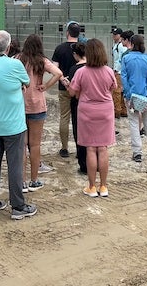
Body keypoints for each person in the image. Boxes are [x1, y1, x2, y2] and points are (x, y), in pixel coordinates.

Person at [0, 30, 37, 220]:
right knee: (15, 164)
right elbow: (26, 82)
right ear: (9, 46)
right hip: (13, 124)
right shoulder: (15, 64)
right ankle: (18, 206)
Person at [67, 39, 116, 197]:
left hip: (87, 111)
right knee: (103, 148)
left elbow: (72, 92)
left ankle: (91, 186)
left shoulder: (81, 72)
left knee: (90, 148)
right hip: (105, 111)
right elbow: (113, 88)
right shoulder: (108, 70)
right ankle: (103, 186)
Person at [16, 34, 63, 191]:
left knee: (21, 145)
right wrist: (46, 86)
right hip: (37, 105)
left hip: (20, 105)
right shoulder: (41, 61)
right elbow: (58, 73)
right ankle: (34, 180)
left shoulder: (18, 59)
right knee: (35, 145)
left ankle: (21, 181)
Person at [121, 34, 147, 162]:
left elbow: (124, 78)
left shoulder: (126, 58)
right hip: (145, 96)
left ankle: (137, 152)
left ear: (132, 44)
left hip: (131, 96)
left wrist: (128, 95)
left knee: (134, 123)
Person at [51, 22, 80, 158]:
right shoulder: (82, 48)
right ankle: (81, 146)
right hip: (80, 89)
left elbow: (54, 68)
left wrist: (62, 79)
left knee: (64, 117)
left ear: (67, 32)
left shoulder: (59, 49)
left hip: (64, 88)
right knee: (79, 118)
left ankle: (64, 148)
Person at [66, 42, 88, 174]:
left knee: (79, 132)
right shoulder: (96, 67)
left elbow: (73, 92)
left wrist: (68, 84)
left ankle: (83, 163)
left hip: (78, 104)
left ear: (75, 54)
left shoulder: (74, 69)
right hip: (95, 105)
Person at [111, 27, 128, 118]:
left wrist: (116, 70)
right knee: (120, 92)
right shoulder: (117, 45)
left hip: (119, 71)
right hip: (119, 70)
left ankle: (117, 110)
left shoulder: (120, 46)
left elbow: (121, 59)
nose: (113, 36)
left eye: (115, 34)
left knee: (117, 92)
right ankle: (122, 110)